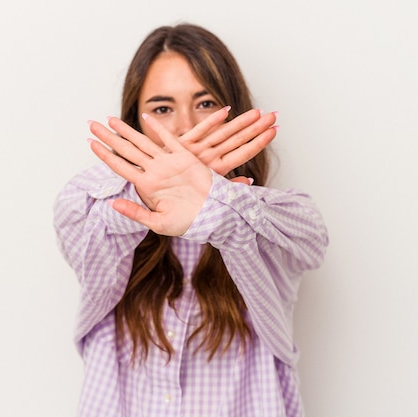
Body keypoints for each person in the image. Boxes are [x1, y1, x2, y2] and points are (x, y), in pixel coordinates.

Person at [53, 23, 328, 417]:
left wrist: (217, 201)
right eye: (162, 109)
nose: (185, 128)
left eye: (206, 103)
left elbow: (311, 237)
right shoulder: (95, 210)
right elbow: (76, 215)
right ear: (133, 125)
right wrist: (148, 192)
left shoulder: (265, 220)